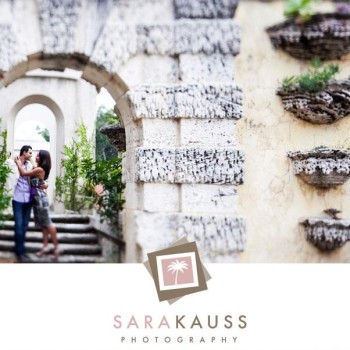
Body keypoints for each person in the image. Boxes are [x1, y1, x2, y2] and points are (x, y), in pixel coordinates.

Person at [15, 149, 59, 260]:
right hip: (36, 198)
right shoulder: (36, 168)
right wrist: (44, 184)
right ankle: (45, 247)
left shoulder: (39, 169)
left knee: (48, 223)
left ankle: (56, 248)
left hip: (40, 199)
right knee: (43, 224)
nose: (36, 156)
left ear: (42, 158)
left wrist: (18, 163)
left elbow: (24, 173)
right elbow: (39, 181)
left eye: (38, 155)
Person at [12, 145, 34, 262]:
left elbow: (33, 177)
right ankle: (20, 252)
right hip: (17, 199)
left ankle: (20, 249)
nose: (31, 154)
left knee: (24, 226)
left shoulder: (30, 165)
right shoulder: (13, 163)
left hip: (28, 200)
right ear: (24, 152)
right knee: (19, 226)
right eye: (30, 153)